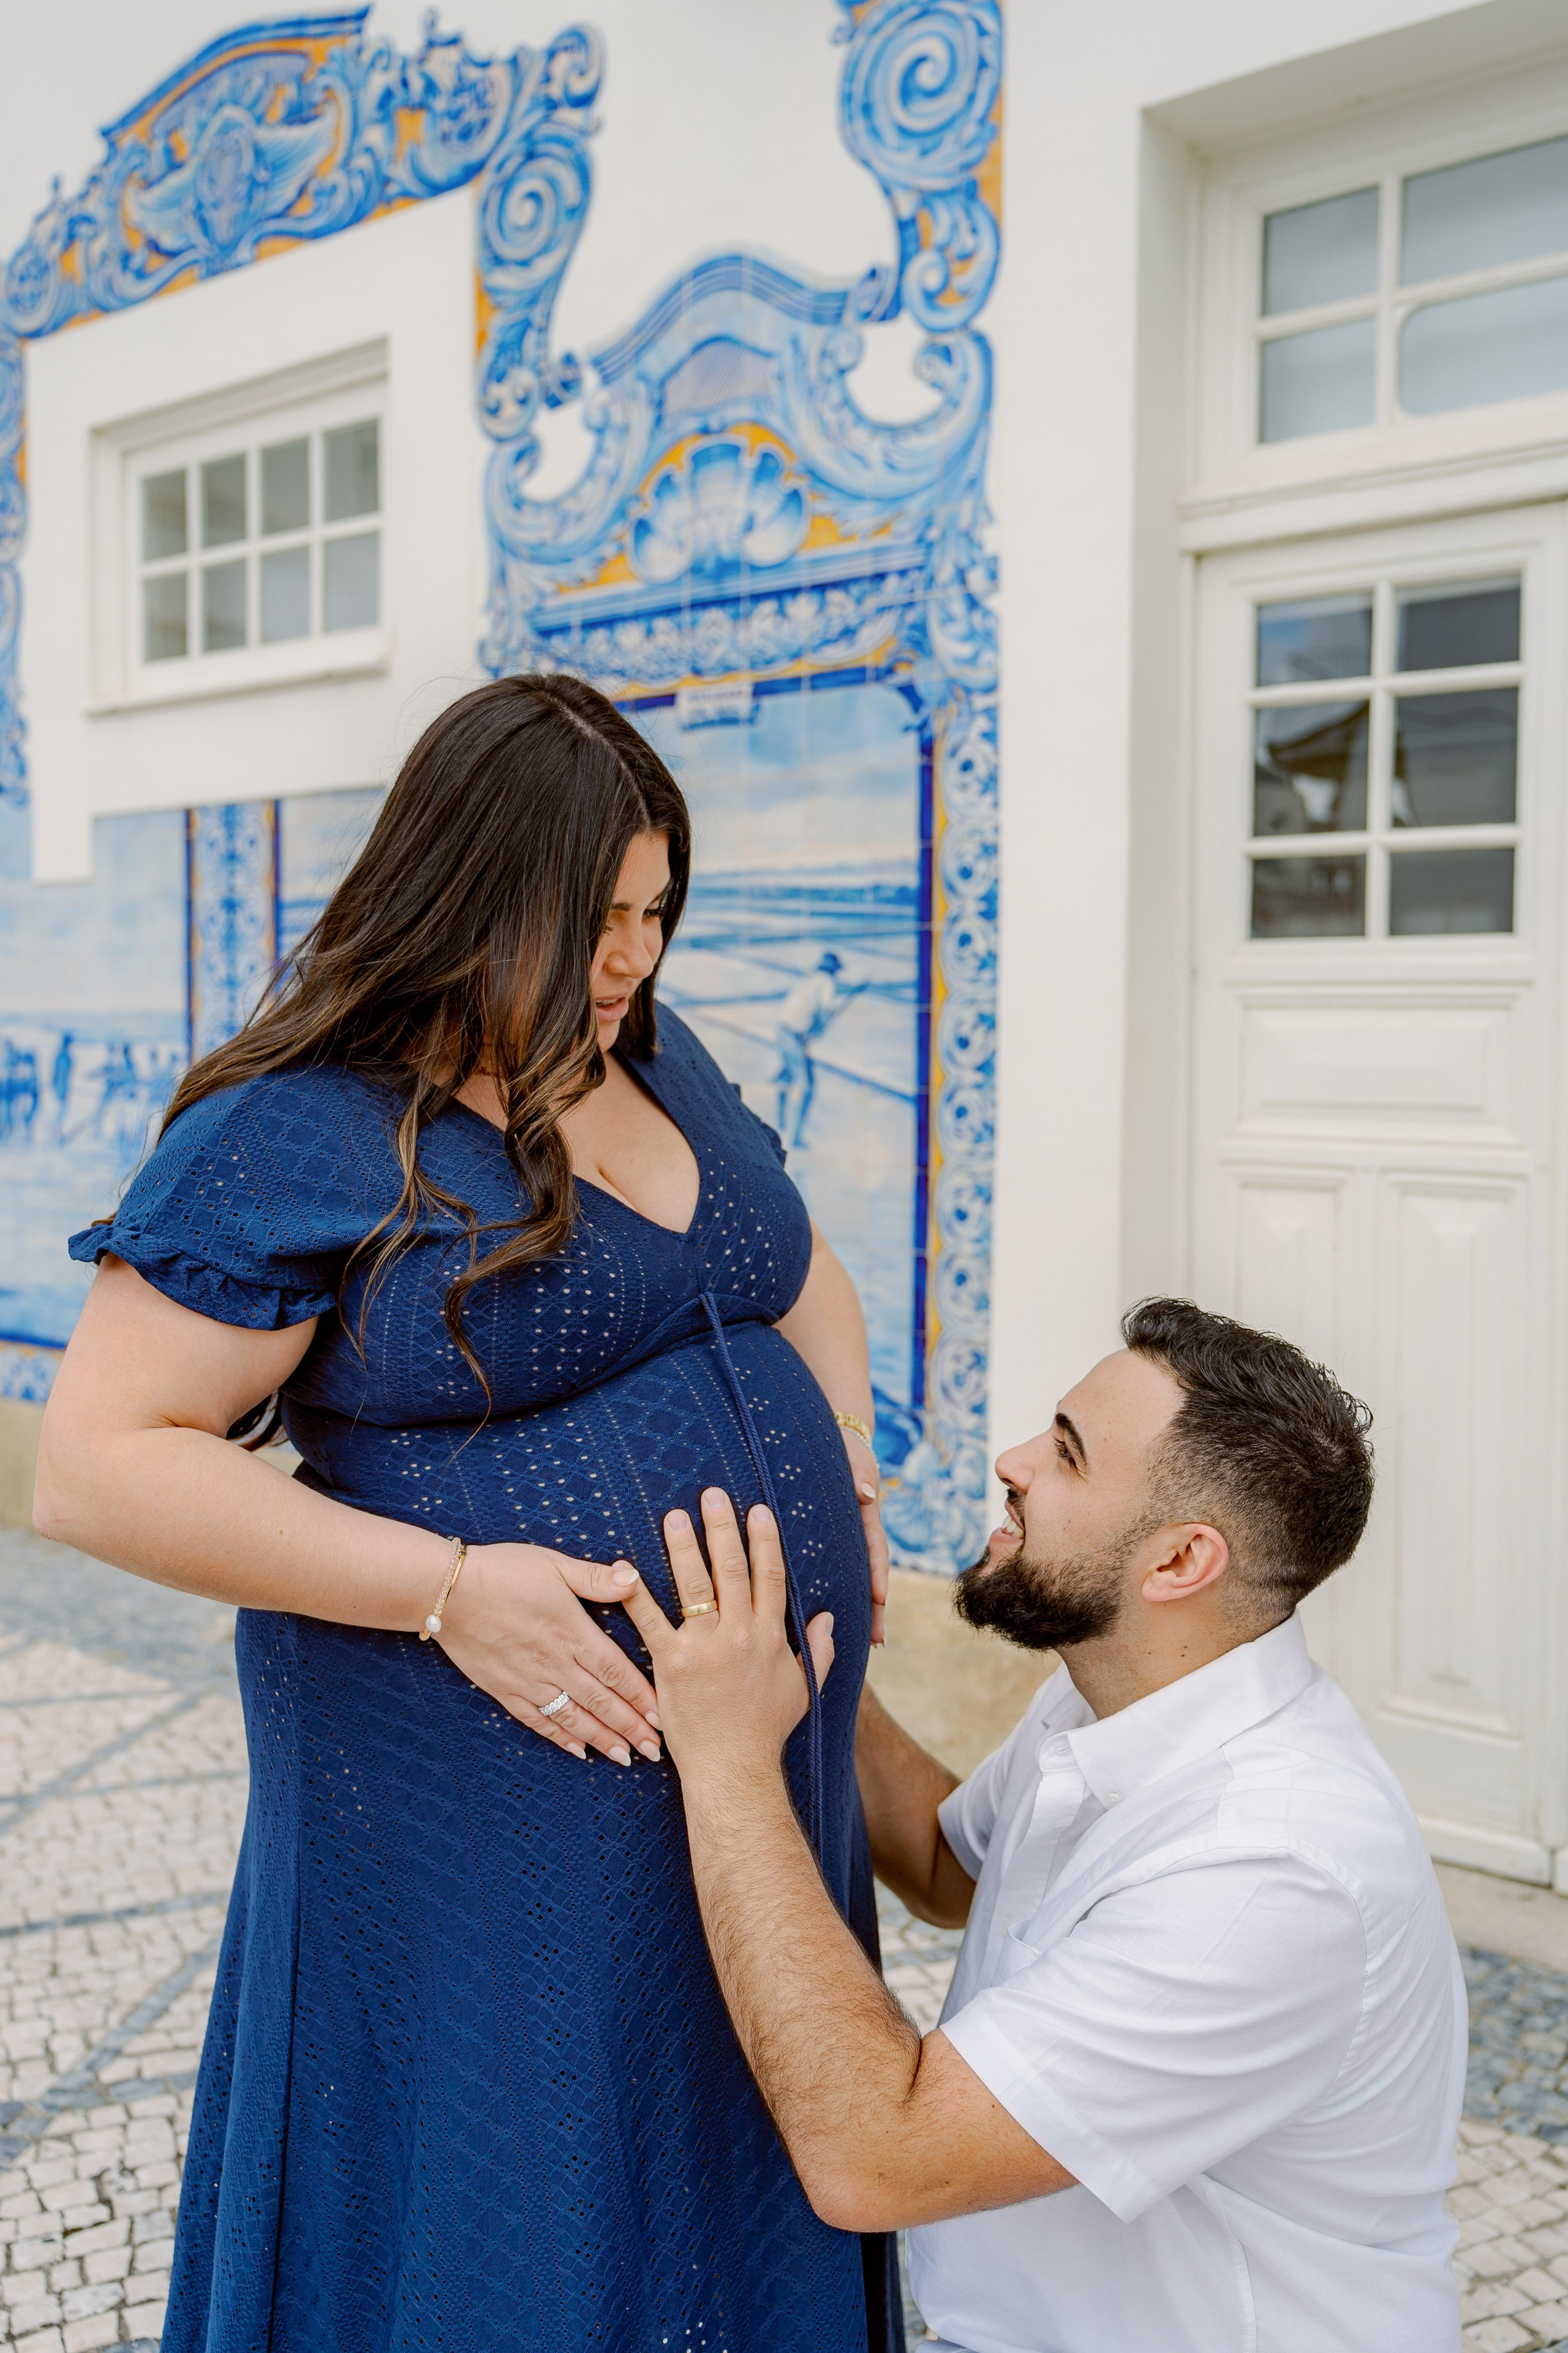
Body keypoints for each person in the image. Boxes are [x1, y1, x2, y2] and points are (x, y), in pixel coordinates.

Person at [34, 673, 902, 2353]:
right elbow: (98, 1460)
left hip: (747, 1753)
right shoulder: (292, 1127)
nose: (633, 959)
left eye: (656, 912)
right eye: (595, 920)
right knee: (518, 2195)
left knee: (735, 2127)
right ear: (467, 890)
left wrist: (847, 1481)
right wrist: (449, 1590)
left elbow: (797, 1276)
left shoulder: (656, 1058)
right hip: (484, 1789)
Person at [617, 1299, 1468, 2353]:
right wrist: (806, 1658)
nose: (1012, 1461)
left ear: (1176, 1564)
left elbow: (875, 2156)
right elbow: (943, 1863)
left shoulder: (1267, 1874)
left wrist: (731, 1755)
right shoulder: (1124, 1688)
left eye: (1066, 1455)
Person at [775, 947, 855, 1147]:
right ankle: (793, 1137)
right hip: (793, 1036)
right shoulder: (827, 983)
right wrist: (819, 1028)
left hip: (784, 1032)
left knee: (788, 1077)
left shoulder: (808, 979)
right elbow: (824, 1012)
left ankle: (781, 1124)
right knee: (806, 1086)